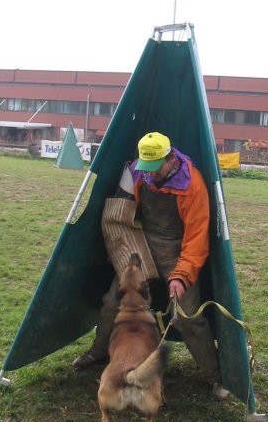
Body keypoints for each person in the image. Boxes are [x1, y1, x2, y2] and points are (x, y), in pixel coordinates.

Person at [73, 131, 229, 400]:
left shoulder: (193, 185)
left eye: (156, 168)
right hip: (141, 246)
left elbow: (196, 239)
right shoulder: (137, 171)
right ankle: (99, 352)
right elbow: (118, 211)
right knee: (113, 302)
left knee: (187, 317)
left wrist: (181, 276)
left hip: (177, 251)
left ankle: (215, 377)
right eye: (147, 168)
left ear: (170, 159)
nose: (151, 175)